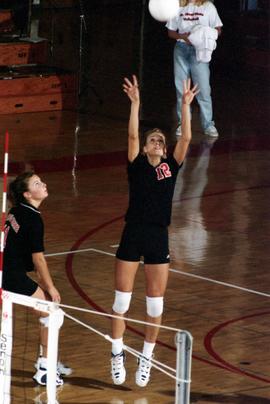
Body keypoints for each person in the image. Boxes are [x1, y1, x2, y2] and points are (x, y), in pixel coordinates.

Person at [110, 75, 198, 387]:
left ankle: (146, 358)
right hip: (132, 232)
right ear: (146, 147)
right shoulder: (136, 165)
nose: (158, 143)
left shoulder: (170, 167)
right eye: (154, 140)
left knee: (155, 304)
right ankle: (117, 352)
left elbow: (185, 140)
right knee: (121, 303)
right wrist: (135, 104)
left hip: (158, 235)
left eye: (161, 140)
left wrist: (186, 107)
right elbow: (133, 136)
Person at [2, 171, 71, 386]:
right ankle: (45, 369)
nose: (44, 184)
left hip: (7, 272)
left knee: (47, 314)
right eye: (37, 183)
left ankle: (49, 361)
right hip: (11, 276)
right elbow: (39, 259)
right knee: (53, 315)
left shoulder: (16, 211)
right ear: (28, 194)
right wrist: (50, 287)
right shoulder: (33, 219)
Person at [166, 0, 223, 138]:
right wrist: (183, 37)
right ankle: (183, 123)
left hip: (200, 50)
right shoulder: (178, 6)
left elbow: (218, 29)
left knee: (203, 89)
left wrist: (204, 35)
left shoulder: (208, 6)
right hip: (181, 49)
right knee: (182, 89)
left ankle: (208, 124)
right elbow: (171, 32)